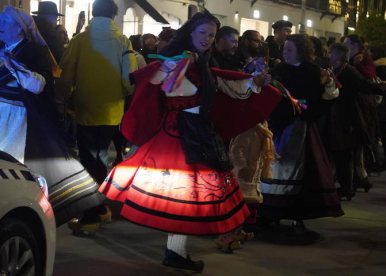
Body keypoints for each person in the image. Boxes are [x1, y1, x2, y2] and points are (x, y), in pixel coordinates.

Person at [98, 11, 283, 272]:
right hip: (178, 136)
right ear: (190, 33)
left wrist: (254, 82)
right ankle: (175, 252)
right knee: (185, 198)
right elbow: (157, 81)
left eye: (211, 35)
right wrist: (177, 65)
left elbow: (227, 86)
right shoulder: (177, 62)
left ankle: (176, 251)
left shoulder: (204, 65)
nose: (207, 39)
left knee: (192, 198)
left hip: (200, 132)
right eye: (202, 33)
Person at [0, 6, 104, 227]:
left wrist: (13, 65)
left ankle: (30, 214)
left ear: (19, 28)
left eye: (5, 21)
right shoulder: (3, 48)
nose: (0, 25)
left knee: (19, 167)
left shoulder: (34, 51)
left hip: (20, 119)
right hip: (2, 116)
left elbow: (38, 85)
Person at [56, 0, 137, 229]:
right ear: (114, 15)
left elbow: (65, 72)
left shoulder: (80, 40)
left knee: (88, 158)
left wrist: (63, 94)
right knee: (101, 157)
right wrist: (123, 92)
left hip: (84, 106)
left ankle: (92, 213)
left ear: (93, 13)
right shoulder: (123, 41)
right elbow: (129, 78)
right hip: (112, 109)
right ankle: (100, 207)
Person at [260, 34, 343, 236]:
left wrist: (325, 85)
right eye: (285, 48)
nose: (285, 52)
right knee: (275, 169)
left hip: (301, 128)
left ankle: (299, 216)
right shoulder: (279, 70)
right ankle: (271, 213)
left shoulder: (314, 72)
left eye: (289, 49)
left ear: (300, 51)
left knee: (303, 172)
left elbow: (327, 97)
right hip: (279, 126)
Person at [328, 43, 386, 199]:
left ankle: (347, 187)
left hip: (347, 120)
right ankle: (347, 186)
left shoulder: (349, 71)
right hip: (339, 118)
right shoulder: (335, 70)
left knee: (344, 155)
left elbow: (363, 84)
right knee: (342, 155)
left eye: (331, 52)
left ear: (339, 56)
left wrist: (378, 87)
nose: (328, 55)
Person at [344, 34, 381, 185]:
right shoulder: (353, 59)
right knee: (354, 142)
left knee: (358, 140)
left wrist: (357, 65)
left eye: (346, 44)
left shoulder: (362, 60)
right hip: (354, 104)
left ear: (354, 46)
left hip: (361, 105)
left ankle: (361, 176)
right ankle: (359, 176)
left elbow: (368, 78)